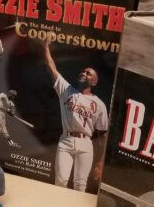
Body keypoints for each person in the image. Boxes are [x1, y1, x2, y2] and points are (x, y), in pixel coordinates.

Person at [42, 41, 108, 193]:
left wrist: (101, 162)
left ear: (94, 81)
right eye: (83, 71)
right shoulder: (67, 90)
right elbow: (52, 68)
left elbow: (103, 136)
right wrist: (45, 47)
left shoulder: (99, 104)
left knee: (80, 186)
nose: (84, 73)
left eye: (88, 73)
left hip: (86, 144)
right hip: (66, 140)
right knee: (61, 181)